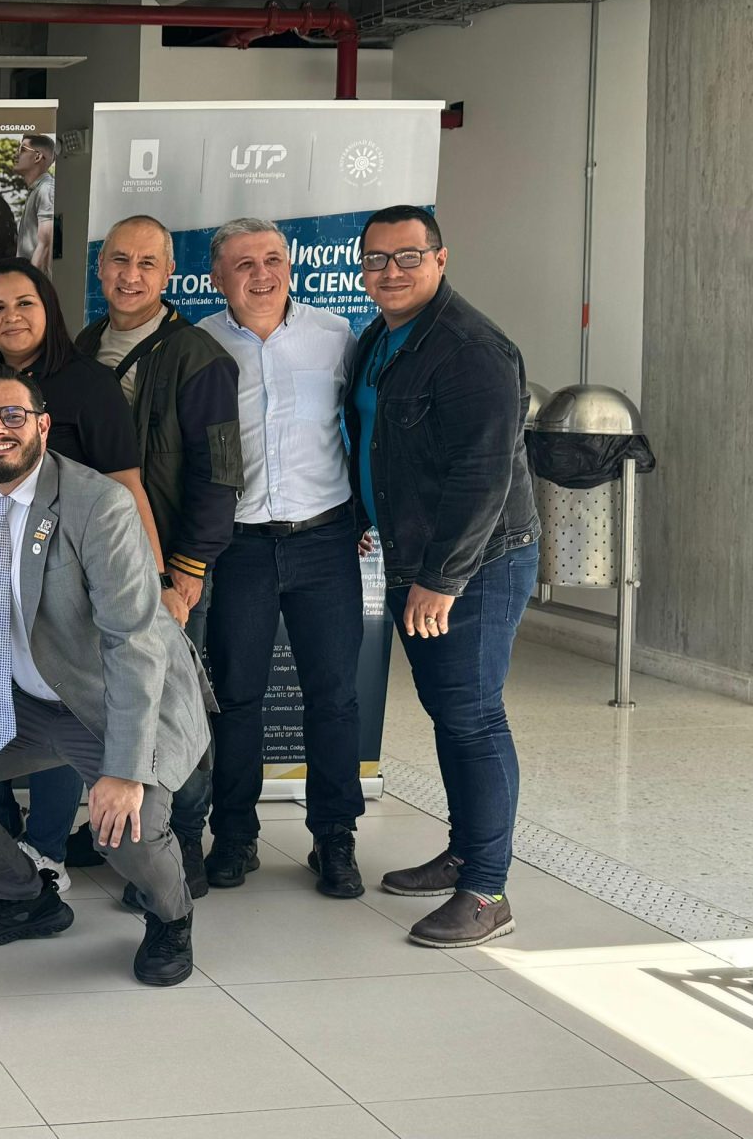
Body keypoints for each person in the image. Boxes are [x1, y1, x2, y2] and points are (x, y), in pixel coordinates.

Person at [0, 366, 208, 987]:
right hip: (23, 699)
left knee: (124, 831)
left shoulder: (98, 504)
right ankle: (27, 896)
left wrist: (123, 770)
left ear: (43, 426)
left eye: (12, 416)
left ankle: (172, 916)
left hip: (106, 697)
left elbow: (131, 644)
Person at [344, 205, 540, 949]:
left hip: (473, 565)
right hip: (416, 553)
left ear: (441, 257)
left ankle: (487, 890)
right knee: (449, 710)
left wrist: (444, 579)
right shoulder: (386, 337)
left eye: (407, 257)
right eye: (376, 260)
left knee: (472, 713)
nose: (390, 272)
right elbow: (379, 439)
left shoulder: (471, 349)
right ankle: (465, 853)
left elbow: (484, 475)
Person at [189, 218, 368, 899]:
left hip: (324, 540)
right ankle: (233, 837)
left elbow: (360, 427)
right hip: (238, 548)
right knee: (237, 700)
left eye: (273, 260)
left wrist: (365, 514)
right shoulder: (199, 344)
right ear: (216, 277)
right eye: (244, 264)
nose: (262, 274)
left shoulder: (335, 337)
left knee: (335, 697)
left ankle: (335, 839)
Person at [0, 259, 153, 895]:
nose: (11, 317)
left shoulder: (88, 384)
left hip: (63, 585)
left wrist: (156, 580)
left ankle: (45, 846)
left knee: (60, 706)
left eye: (25, 303)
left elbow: (125, 484)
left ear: (50, 311)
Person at [74, 215, 240, 897]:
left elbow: (222, 474)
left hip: (165, 571)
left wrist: (188, 573)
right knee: (111, 705)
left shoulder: (198, 357)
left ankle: (182, 847)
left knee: (175, 713)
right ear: (100, 267)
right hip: (94, 567)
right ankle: (120, 832)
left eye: (147, 262)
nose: (130, 275)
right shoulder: (83, 347)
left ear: (170, 273)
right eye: (118, 260)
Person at [14, 134, 59, 273]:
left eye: (22, 150)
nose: (15, 154)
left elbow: (46, 244)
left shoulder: (46, 189)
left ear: (38, 157)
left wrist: (29, 283)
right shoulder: (37, 189)